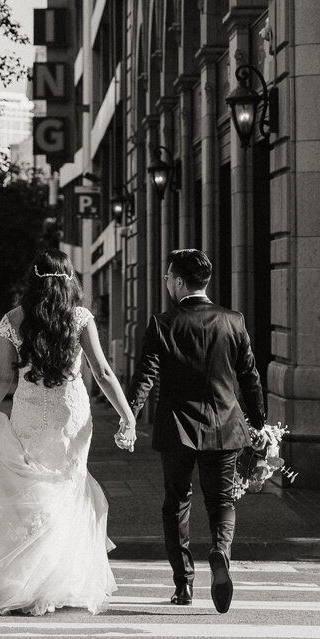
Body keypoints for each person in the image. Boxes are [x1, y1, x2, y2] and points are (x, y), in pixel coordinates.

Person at [0, 250, 137, 616]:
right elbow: (103, 372)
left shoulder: (13, 320)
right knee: (67, 489)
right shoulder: (80, 318)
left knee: (30, 489)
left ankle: (25, 578)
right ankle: (57, 579)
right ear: (68, 279)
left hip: (29, 412)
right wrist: (128, 416)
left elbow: (5, 376)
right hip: (71, 414)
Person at [127, 247, 266, 615]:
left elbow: (145, 376)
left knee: (176, 503)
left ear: (177, 281)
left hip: (177, 429)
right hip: (224, 427)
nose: (167, 284)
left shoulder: (163, 323)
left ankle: (184, 584)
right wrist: (259, 422)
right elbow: (249, 378)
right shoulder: (233, 321)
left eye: (168, 278)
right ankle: (220, 550)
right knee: (221, 501)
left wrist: (129, 416)